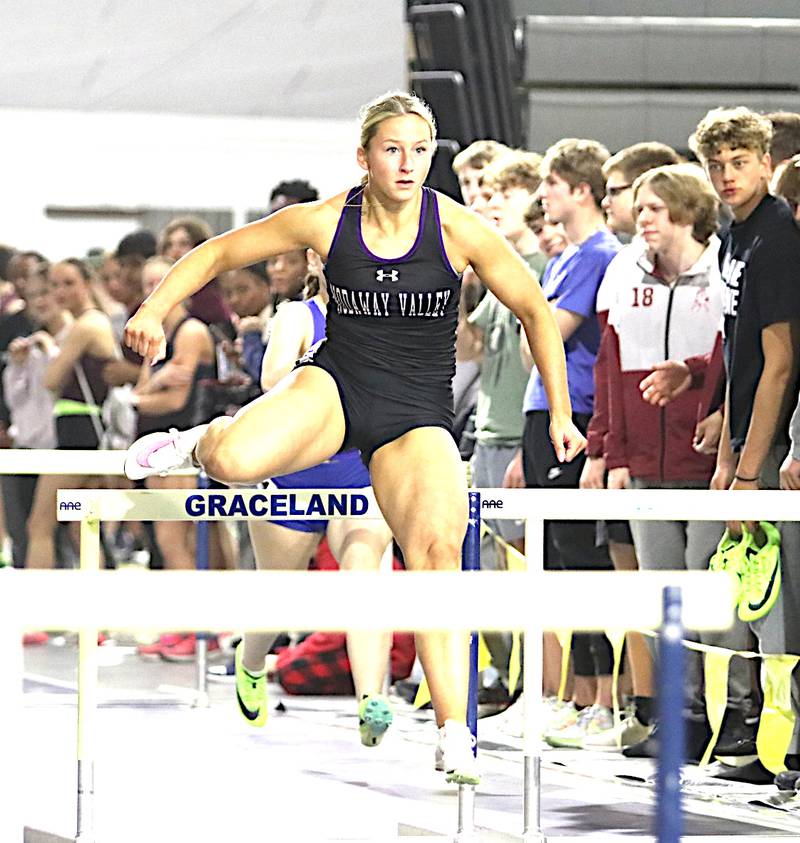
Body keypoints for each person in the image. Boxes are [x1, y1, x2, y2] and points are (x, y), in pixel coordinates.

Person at [122, 90, 584, 785]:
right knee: (237, 459)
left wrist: (558, 411)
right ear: (365, 155)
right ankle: (202, 440)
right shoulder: (325, 221)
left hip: (417, 412)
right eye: (392, 149)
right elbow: (219, 251)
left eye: (420, 150)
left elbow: (534, 311)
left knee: (435, 555)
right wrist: (155, 307)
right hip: (338, 387)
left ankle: (455, 732)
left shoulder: (457, 229)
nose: (406, 164)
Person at [603, 164, 752, 759]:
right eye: (639, 208)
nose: (643, 220)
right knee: (658, 592)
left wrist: (692, 380)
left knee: (710, 591)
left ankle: (736, 712)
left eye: (656, 210)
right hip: (643, 460)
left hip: (703, 461)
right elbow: (610, 369)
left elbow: (733, 356)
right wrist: (608, 450)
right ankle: (679, 715)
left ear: (689, 214)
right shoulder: (623, 272)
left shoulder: (723, 273)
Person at [235, 253, 395, 747]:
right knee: (280, 595)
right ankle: (251, 659)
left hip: (357, 470)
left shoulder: (384, 314)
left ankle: (372, 700)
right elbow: (272, 381)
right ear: (315, 261)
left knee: (367, 574)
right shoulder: (296, 316)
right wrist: (331, 360)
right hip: (293, 470)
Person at [521, 138, 621, 748]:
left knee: (583, 557)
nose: (544, 197)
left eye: (552, 185)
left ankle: (604, 699)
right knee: (555, 557)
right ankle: (577, 696)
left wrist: (531, 314)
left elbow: (550, 328)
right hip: (542, 410)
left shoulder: (599, 255)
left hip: (577, 410)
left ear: (580, 190)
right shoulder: (565, 257)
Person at [25, 259, 117, 571]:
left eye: (68, 283)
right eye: (54, 285)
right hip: (82, 431)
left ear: (87, 284)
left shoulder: (86, 325)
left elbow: (51, 380)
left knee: (40, 526)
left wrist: (52, 348)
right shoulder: (90, 323)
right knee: (82, 525)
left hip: (78, 433)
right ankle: (100, 612)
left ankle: (36, 617)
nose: (59, 292)